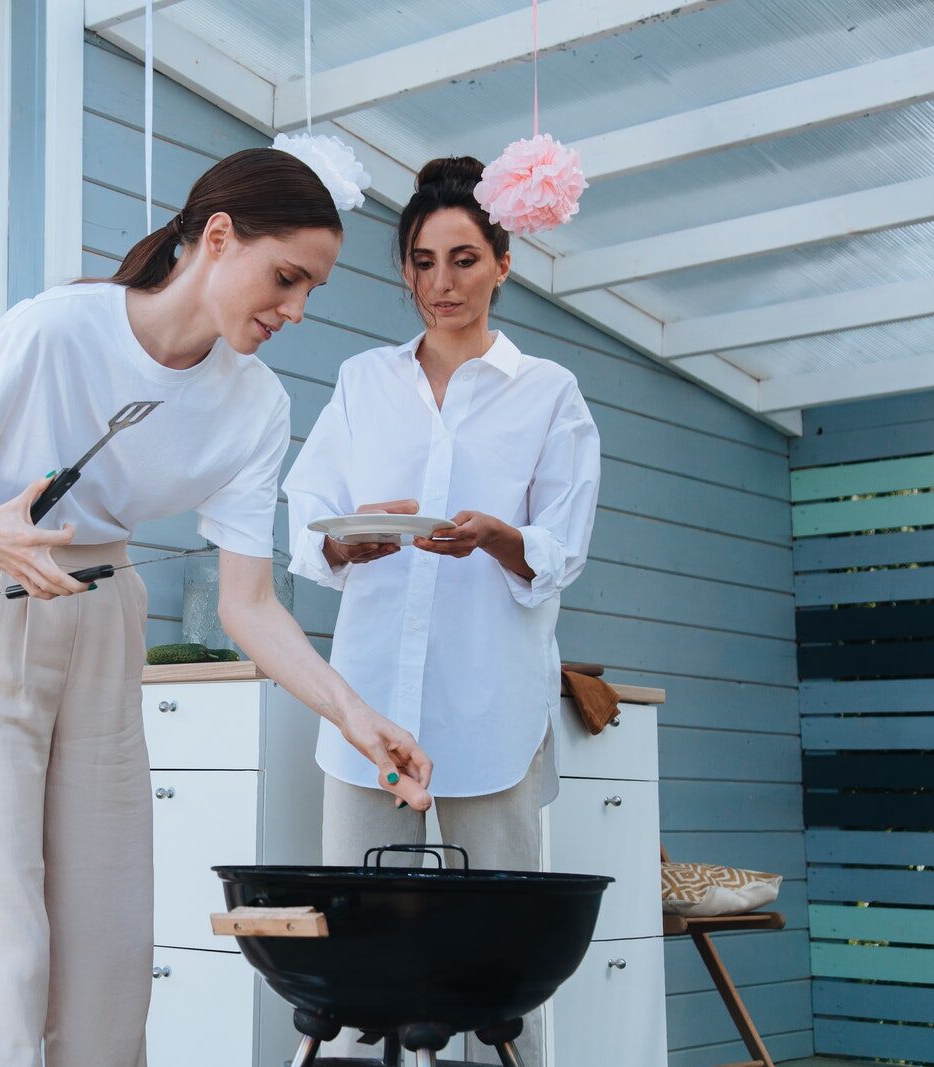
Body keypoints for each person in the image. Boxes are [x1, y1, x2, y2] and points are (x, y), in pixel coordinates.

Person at [0, 147, 433, 1067]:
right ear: (218, 238)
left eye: (311, 290)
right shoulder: (59, 328)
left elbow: (250, 604)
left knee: (106, 933)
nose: (295, 309)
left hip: (105, 621)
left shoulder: (256, 406)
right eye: (286, 277)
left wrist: (358, 716)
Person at [284, 155, 601, 1065]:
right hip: (368, 704)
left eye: (463, 259)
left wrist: (499, 537)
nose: (441, 283)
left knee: (503, 955)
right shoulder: (362, 382)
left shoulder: (549, 393)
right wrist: (353, 539)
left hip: (488, 706)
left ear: (503, 262)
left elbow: (561, 545)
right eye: (422, 261)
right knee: (353, 944)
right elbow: (310, 522)